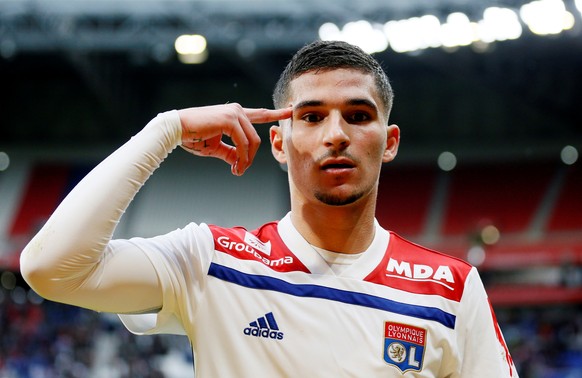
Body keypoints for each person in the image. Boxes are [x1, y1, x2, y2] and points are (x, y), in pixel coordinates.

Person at [20, 40, 518, 377]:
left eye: (358, 116)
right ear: (279, 143)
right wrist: (165, 130)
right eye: (313, 116)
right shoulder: (213, 261)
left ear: (388, 142)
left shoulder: (449, 290)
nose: (337, 134)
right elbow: (50, 269)